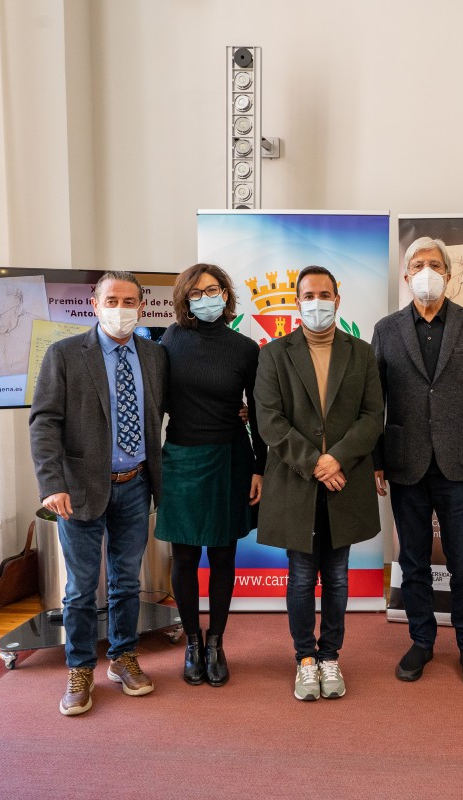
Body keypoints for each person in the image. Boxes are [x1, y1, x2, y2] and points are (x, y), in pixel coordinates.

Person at [29, 270, 168, 717]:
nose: (121, 309)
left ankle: (124, 657)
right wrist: (52, 483)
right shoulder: (65, 354)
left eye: (130, 301)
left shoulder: (154, 355)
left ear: (142, 307)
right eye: (113, 300)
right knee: (81, 588)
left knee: (128, 581)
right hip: (80, 491)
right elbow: (44, 422)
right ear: (95, 303)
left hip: (136, 485)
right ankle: (80, 667)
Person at [371, 237, 463, 688]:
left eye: (435, 264)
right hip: (405, 461)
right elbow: (376, 401)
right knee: (414, 559)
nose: (426, 271)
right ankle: (422, 640)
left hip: (460, 462)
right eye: (418, 265)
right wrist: (376, 460)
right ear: (406, 277)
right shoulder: (386, 329)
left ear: (448, 274)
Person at [254, 265, 384, 701]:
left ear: (337, 300)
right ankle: (305, 660)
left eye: (324, 295)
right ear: (296, 302)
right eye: (308, 295)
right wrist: (316, 464)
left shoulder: (362, 353)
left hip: (345, 481)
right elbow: (269, 422)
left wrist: (337, 460)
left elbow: (372, 417)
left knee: (339, 576)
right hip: (298, 482)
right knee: (301, 576)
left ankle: (331, 655)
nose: (317, 303)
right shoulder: (274, 354)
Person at [154, 264, 266, 687]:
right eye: (197, 292)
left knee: (222, 556)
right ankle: (192, 643)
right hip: (180, 458)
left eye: (214, 289)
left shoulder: (245, 348)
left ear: (226, 294)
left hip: (230, 459)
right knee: (183, 557)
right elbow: (157, 403)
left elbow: (257, 414)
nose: (207, 298)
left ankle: (216, 641)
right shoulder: (169, 341)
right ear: (185, 298)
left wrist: (260, 467)